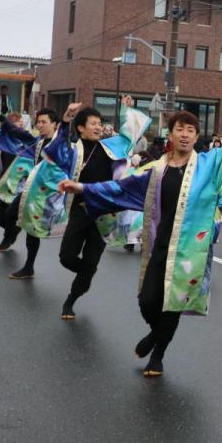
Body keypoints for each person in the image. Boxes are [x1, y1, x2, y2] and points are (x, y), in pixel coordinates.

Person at [61, 92, 222, 377]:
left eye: (191, 130)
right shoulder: (157, 169)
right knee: (147, 302)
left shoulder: (210, 165)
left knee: (172, 305)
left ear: (196, 136)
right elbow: (121, 188)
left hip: (190, 253)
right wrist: (80, 189)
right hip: (158, 245)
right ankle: (155, 335)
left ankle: (158, 355)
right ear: (171, 134)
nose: (186, 134)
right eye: (180, 129)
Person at [53, 96, 148, 319]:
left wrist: (126, 109)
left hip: (105, 216)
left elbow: (129, 134)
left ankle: (71, 300)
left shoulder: (110, 147)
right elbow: (56, 149)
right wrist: (66, 119)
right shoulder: (73, 150)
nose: (98, 127)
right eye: (93, 124)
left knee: (91, 259)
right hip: (80, 210)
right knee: (66, 257)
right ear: (81, 128)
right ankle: (87, 272)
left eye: (99, 123)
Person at [0, 106, 67, 276]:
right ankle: (11, 236)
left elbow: (65, 135)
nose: (40, 125)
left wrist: (67, 119)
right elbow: (17, 132)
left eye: (44, 122)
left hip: (46, 194)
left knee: (32, 230)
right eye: (38, 122)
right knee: (11, 213)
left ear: (55, 124)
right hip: (32, 189)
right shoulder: (38, 141)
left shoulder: (61, 144)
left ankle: (29, 266)